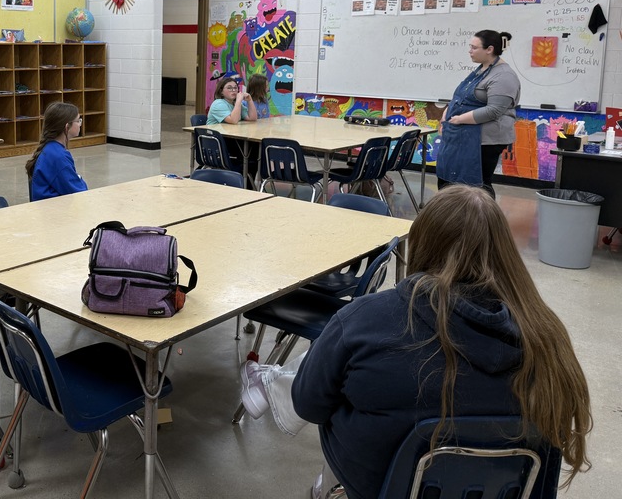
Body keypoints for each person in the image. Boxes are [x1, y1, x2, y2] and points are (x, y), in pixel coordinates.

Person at [240, 185, 591, 499]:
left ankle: (320, 476)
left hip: (378, 486)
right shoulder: (548, 337)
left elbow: (308, 406)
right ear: (504, 253)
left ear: (424, 242)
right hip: (508, 489)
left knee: (334, 383)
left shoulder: (367, 317)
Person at [437, 30, 520, 197]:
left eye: (474, 47)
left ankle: (483, 221)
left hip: (485, 141)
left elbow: (494, 110)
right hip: (464, 135)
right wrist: (445, 115)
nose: (470, 51)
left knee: (477, 185)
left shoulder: (504, 75)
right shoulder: (481, 69)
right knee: (453, 181)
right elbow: (460, 97)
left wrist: (460, 119)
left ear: (489, 49)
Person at [25, 102, 88, 201]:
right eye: (78, 120)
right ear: (67, 127)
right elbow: (79, 192)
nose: (80, 124)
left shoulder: (50, 148)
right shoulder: (59, 156)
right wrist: (79, 179)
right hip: (53, 211)